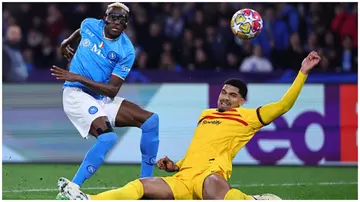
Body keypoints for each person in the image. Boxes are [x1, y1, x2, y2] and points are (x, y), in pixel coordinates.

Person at [57, 51, 321, 200]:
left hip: (211, 175)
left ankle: (254, 200)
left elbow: (284, 105)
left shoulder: (249, 118)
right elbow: (200, 149)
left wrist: (302, 73)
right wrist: (176, 166)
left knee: (215, 195)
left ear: (242, 101)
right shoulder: (206, 114)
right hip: (184, 179)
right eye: (224, 92)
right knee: (140, 187)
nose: (225, 97)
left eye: (232, 95)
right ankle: (89, 199)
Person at [50, 2, 160, 190]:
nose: (117, 22)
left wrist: (78, 76)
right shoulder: (89, 24)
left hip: (101, 96)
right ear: (105, 18)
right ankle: (73, 188)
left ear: (127, 24)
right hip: (75, 94)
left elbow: (112, 90)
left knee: (151, 121)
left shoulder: (126, 50)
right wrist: (65, 44)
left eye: (122, 19)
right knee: (108, 138)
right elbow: (79, 31)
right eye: (113, 17)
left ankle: (146, 185)